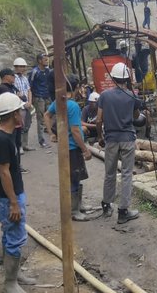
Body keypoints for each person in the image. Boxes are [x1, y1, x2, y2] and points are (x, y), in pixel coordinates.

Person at [0, 92, 29, 293]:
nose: (22, 113)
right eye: (20, 110)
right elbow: (4, 172)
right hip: (7, 198)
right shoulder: (3, 139)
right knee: (15, 235)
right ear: (13, 114)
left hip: (5, 195)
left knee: (9, 234)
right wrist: (13, 202)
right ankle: (10, 283)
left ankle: (14, 274)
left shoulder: (1, 135)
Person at [96, 63, 141, 224]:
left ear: (113, 78)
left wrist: (100, 137)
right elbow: (136, 116)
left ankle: (107, 205)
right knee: (127, 174)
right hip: (128, 138)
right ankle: (123, 211)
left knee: (110, 173)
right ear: (127, 78)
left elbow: (99, 119)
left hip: (111, 139)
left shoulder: (104, 95)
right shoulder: (132, 95)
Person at [43, 75, 92, 221]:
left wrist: (51, 133)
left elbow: (46, 115)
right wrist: (85, 149)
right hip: (72, 147)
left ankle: (79, 205)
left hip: (64, 147)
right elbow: (76, 131)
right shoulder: (73, 106)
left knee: (75, 177)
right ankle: (74, 211)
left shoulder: (58, 102)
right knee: (74, 178)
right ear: (76, 88)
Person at [28, 54, 52, 148]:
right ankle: (41, 141)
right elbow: (30, 85)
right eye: (45, 59)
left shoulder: (48, 71)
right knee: (41, 119)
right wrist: (33, 98)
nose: (47, 61)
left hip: (47, 96)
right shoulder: (35, 72)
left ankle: (51, 135)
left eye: (47, 59)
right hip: (39, 97)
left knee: (50, 116)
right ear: (39, 61)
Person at [13, 58, 34, 152]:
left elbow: (29, 90)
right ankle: (19, 146)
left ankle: (25, 144)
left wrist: (29, 102)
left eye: (23, 66)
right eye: (20, 66)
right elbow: (15, 93)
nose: (22, 68)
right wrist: (23, 103)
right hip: (19, 105)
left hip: (27, 105)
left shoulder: (25, 78)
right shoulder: (13, 79)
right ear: (16, 67)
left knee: (27, 125)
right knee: (20, 125)